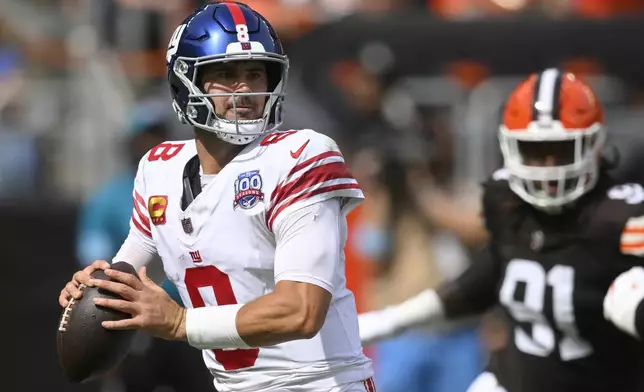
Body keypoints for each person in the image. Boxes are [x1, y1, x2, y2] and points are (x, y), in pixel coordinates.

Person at [59, 2, 374, 392]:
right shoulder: (159, 169)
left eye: (255, 73)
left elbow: (301, 310)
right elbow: (131, 275)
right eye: (225, 74)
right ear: (184, 82)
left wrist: (179, 323)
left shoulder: (300, 156)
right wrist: (99, 286)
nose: (244, 88)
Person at [357, 68, 644, 392]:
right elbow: (486, 276)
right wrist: (394, 320)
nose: (549, 169)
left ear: (594, 146)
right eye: (534, 151)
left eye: (561, 150)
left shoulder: (622, 216)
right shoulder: (507, 200)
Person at [75, 99, 213, 392]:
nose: (151, 144)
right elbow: (97, 258)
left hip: (192, 313)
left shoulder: (201, 189)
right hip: (139, 315)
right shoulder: (108, 198)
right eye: (144, 137)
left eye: (158, 136)